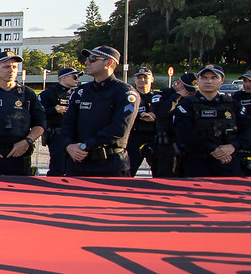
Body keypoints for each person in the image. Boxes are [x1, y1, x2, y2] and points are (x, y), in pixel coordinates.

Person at [62, 45, 138, 176]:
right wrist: (69, 145)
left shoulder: (125, 92)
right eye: (87, 59)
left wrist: (85, 146)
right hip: (78, 163)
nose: (86, 62)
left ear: (109, 62)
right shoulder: (82, 91)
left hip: (109, 165)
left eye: (93, 59)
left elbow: (119, 129)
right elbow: (68, 122)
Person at [174, 64, 246, 178]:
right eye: (204, 78)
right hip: (197, 163)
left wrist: (233, 146)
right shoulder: (186, 105)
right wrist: (213, 150)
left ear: (222, 80)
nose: (209, 81)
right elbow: (185, 134)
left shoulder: (233, 104)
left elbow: (247, 130)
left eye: (214, 78)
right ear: (197, 80)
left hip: (229, 161)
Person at [127, 67, 173, 178]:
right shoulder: (130, 96)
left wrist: (155, 116)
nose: (142, 80)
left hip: (154, 137)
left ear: (152, 79)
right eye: (139, 77)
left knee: (159, 171)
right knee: (128, 170)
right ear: (135, 79)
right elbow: (125, 113)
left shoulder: (158, 97)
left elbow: (166, 112)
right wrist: (139, 116)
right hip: (135, 137)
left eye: (145, 77)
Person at [41, 66, 80, 175]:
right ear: (64, 78)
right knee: (58, 167)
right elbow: (37, 112)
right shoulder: (49, 93)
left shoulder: (77, 94)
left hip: (74, 136)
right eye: (74, 77)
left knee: (73, 167)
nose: (77, 79)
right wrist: (54, 110)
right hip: (57, 135)